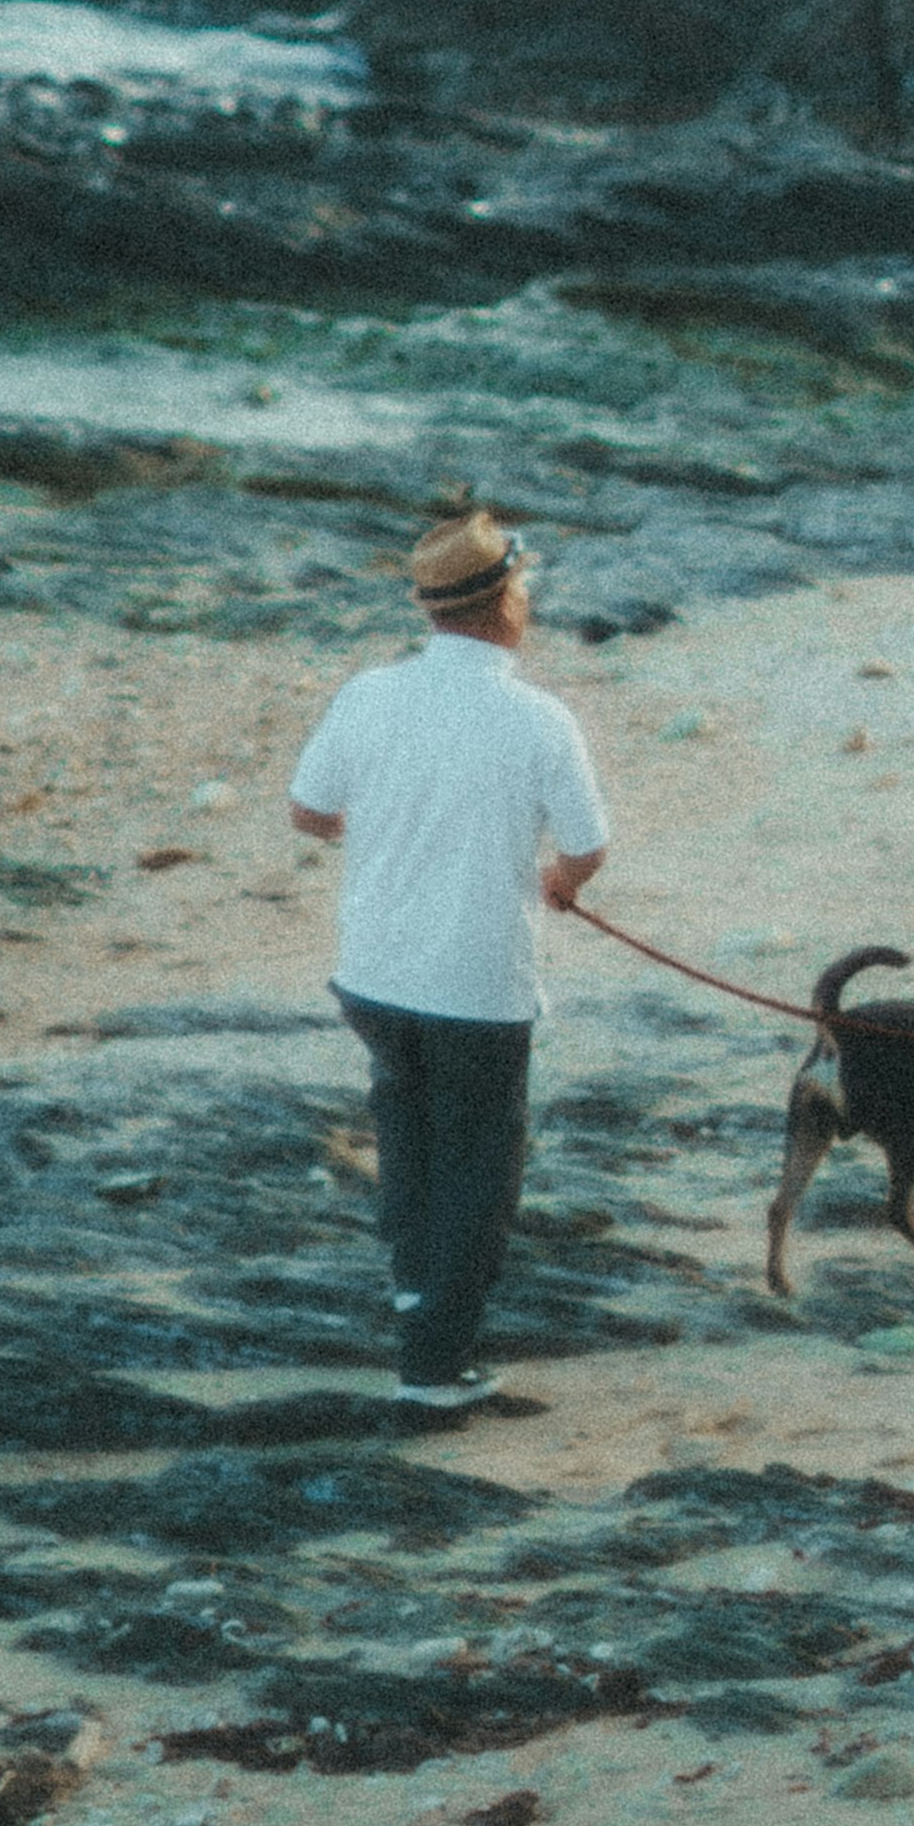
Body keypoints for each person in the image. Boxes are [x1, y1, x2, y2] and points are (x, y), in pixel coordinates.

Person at [287, 510, 611, 1412]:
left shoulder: (367, 694)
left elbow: (309, 811)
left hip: (373, 973)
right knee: (479, 1163)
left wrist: (376, 828)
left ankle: (412, 1290)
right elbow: (589, 845)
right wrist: (559, 881)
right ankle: (435, 1362)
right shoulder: (541, 718)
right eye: (526, 586)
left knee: (408, 1133)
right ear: (507, 600)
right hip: (476, 981)